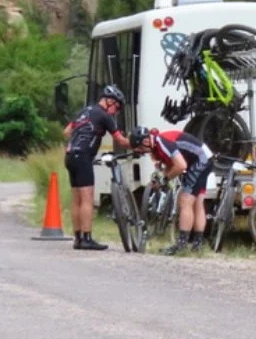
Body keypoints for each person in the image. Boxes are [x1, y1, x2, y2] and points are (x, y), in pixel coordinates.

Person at [63, 84, 132, 251]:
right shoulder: (104, 116)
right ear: (109, 101)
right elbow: (121, 141)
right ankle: (86, 238)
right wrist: (137, 145)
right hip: (84, 157)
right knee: (87, 199)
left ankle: (78, 238)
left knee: (76, 200)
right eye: (116, 106)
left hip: (70, 156)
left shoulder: (84, 111)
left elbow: (66, 132)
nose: (115, 111)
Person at [136, 127, 214, 255]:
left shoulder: (161, 141)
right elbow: (172, 165)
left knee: (185, 201)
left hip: (200, 160)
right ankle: (197, 245)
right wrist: (161, 177)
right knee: (197, 203)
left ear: (145, 142)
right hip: (204, 158)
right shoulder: (158, 142)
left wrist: (164, 180)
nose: (143, 152)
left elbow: (181, 165)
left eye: (141, 149)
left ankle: (182, 245)